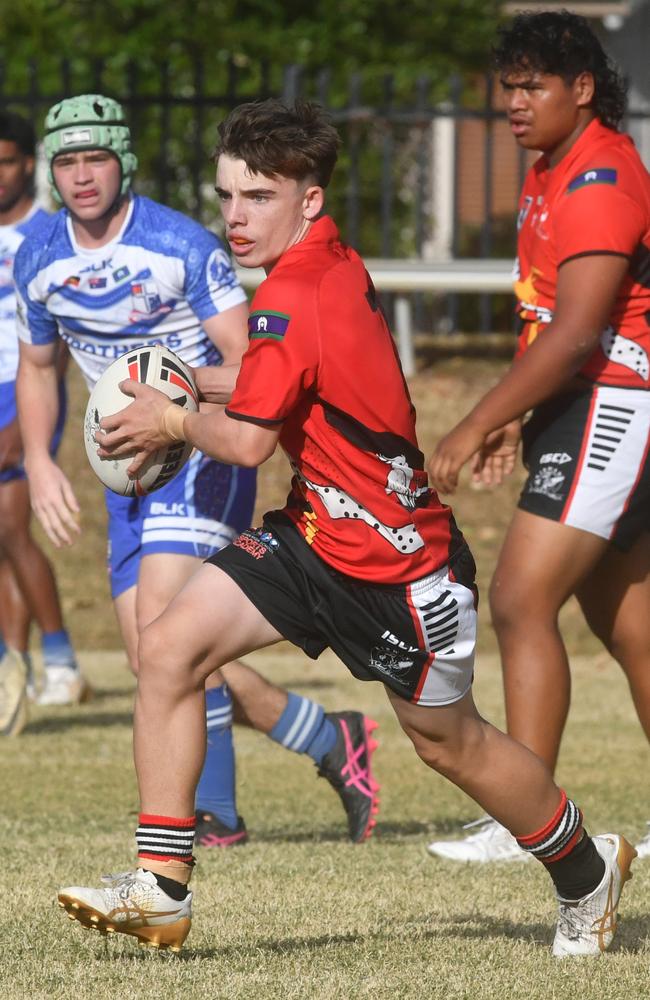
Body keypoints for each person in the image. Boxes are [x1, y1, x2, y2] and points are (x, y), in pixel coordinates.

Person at [55, 97, 635, 958]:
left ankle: (589, 872)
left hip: (398, 570)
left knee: (454, 745)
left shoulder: (296, 291)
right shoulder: (318, 271)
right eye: (226, 197)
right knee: (169, 647)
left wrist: (171, 421)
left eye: (258, 197)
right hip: (316, 534)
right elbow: (273, 377)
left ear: (310, 201)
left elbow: (250, 443)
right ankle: (163, 889)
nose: (236, 217)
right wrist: (183, 380)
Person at [14, 94, 380, 846]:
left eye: (97, 158)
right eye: (68, 162)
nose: (83, 177)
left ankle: (213, 814)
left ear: (125, 162)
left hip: (197, 454)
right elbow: (35, 365)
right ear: (52, 174)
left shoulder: (181, 244)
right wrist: (39, 465)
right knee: (161, 654)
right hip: (124, 465)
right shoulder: (38, 256)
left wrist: (176, 408)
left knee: (167, 638)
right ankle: (328, 739)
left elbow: (251, 362)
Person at [425, 10, 650, 865]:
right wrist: (520, 413)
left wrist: (478, 416)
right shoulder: (551, 167)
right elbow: (545, 314)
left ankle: (528, 821)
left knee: (521, 600)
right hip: (585, 405)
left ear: (582, 89)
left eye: (533, 86)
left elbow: (580, 331)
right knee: (630, 626)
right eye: (507, 86)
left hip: (612, 401)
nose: (513, 103)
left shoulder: (599, 178)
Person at [0, 109, 86, 738]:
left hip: (22, 390)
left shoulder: (50, 231)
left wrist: (31, 421)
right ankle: (17, 666)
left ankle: (57, 657)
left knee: (9, 524)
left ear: (27, 164)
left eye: (4, 161)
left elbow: (50, 344)